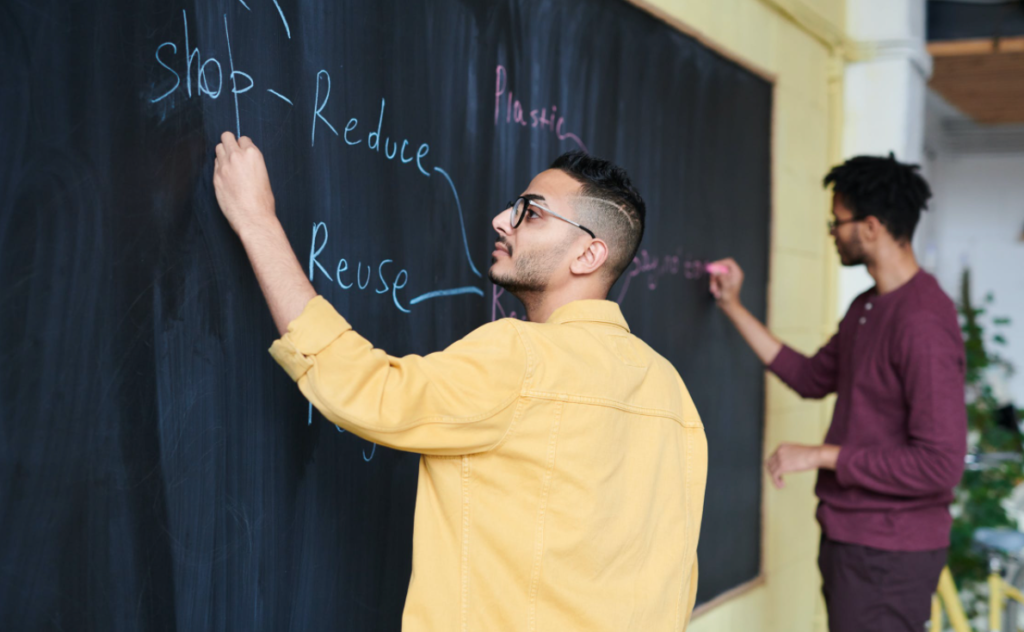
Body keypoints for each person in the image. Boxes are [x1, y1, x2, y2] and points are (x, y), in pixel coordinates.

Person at [212, 132, 707, 631]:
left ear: (588, 255)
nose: (500, 220)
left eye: (530, 213)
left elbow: (364, 389)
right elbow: (675, 578)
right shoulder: (674, 395)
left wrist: (258, 222)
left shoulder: (522, 356)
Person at [709, 153, 966, 632]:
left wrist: (822, 455)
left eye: (837, 221)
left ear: (869, 227)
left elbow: (940, 464)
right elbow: (809, 378)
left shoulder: (924, 322)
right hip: (852, 539)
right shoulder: (867, 307)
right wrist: (733, 307)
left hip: (889, 555)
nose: (832, 232)